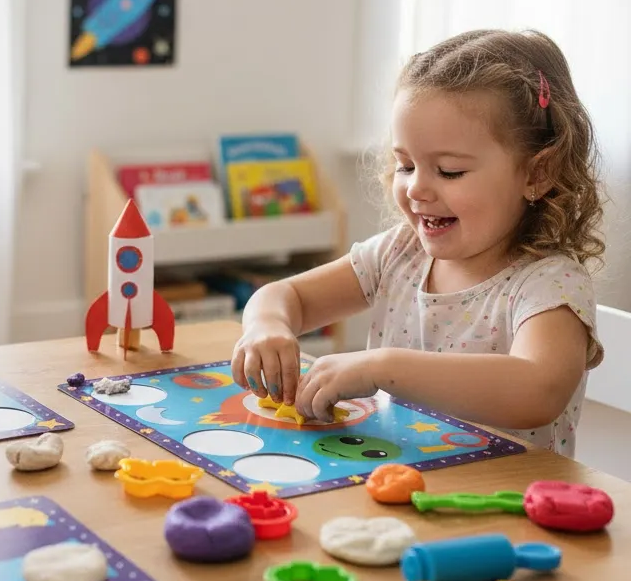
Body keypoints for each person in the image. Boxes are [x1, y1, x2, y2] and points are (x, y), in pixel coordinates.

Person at [232, 29, 605, 456]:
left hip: (508, 508)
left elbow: (538, 390)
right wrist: (267, 327)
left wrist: (382, 366)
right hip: (401, 487)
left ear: (538, 174)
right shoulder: (398, 253)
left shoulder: (550, 284)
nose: (415, 189)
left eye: (448, 171)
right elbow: (285, 295)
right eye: (405, 165)